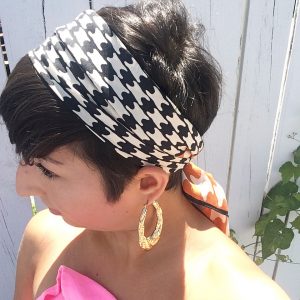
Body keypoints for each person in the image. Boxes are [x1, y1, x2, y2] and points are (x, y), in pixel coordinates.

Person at [0, 0, 290, 299]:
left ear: (148, 183)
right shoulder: (44, 238)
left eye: (48, 170)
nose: (23, 187)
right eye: (27, 159)